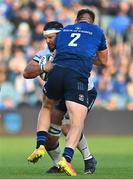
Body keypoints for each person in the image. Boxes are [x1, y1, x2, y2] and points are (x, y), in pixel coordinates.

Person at [25, 8, 108, 176]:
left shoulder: (73, 47)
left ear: (62, 35)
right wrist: (43, 67)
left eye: (51, 37)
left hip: (84, 89)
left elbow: (102, 60)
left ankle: (88, 158)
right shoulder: (45, 54)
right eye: (46, 38)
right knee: (50, 137)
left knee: (69, 126)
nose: (48, 41)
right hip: (61, 89)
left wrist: (86, 56)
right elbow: (27, 71)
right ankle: (59, 163)